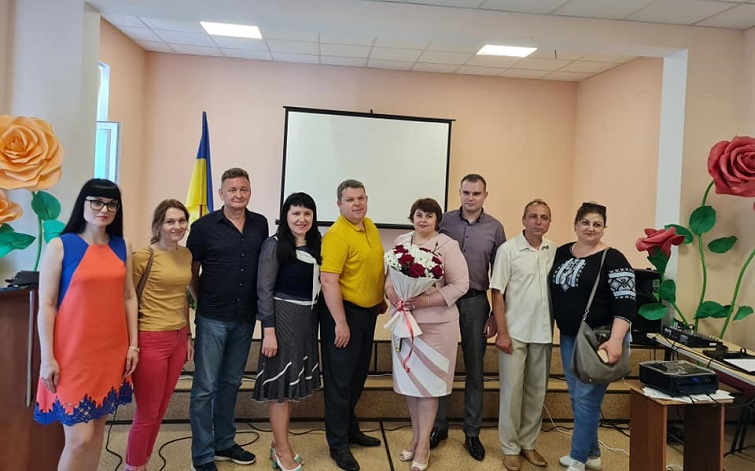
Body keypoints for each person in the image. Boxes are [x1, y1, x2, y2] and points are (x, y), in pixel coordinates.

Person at [34, 178, 138, 471]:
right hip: (71, 355)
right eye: (97, 202)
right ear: (83, 203)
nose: (104, 209)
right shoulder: (60, 246)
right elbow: (46, 305)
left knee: (97, 432)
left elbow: (129, 296)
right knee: (79, 439)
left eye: (111, 204)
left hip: (111, 352)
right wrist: (47, 358)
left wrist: (133, 345)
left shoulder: (122, 246)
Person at [187, 168, 269, 471]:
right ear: (221, 193)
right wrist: (203, 299)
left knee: (231, 383)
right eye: (232, 190)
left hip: (245, 317)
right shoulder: (203, 227)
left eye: (243, 189)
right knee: (204, 387)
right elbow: (191, 271)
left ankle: (224, 443)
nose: (238, 195)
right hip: (212, 317)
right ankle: (202, 454)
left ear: (250, 192)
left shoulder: (260, 224)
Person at [549, 202, 636, 471]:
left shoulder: (614, 258)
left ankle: (577, 458)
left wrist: (616, 340)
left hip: (600, 341)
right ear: (576, 224)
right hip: (569, 338)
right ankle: (593, 455)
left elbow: (626, 302)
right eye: (585, 222)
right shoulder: (562, 252)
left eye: (597, 224)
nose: (591, 228)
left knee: (587, 399)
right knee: (577, 397)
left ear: (604, 228)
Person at [385, 198, 469, 471]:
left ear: (437, 220)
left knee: (428, 388)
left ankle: (423, 446)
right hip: (404, 323)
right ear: (412, 217)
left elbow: (461, 284)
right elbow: (389, 279)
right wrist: (394, 295)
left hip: (437, 327)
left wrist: (425, 301)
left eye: (429, 216)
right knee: (411, 387)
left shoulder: (447, 245)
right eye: (419, 215)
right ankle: (415, 436)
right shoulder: (401, 241)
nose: (423, 220)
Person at [431, 173, 506, 461]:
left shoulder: (495, 228)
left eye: (476, 193)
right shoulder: (444, 221)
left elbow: (500, 276)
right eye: (466, 192)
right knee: (442, 365)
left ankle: (472, 433)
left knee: (475, 370)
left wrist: (495, 316)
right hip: (444, 301)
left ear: (485, 195)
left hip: (476, 303)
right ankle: (438, 425)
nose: (470, 198)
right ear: (459, 193)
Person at [320, 179, 387, 471]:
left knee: (357, 376)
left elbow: (373, 266)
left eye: (361, 198)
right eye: (350, 199)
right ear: (339, 204)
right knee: (340, 382)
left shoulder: (369, 225)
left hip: (368, 313)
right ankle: (338, 445)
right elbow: (328, 281)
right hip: (343, 314)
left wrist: (379, 298)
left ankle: (350, 429)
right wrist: (340, 322)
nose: (357, 203)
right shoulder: (336, 235)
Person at [252, 192, 322, 471]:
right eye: (296, 213)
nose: (301, 219)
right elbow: (264, 290)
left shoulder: (317, 243)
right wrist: (268, 331)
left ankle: (278, 443)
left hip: (307, 320)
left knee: (291, 386)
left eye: (307, 213)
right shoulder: (274, 245)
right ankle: (282, 450)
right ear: (286, 216)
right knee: (280, 387)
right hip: (282, 319)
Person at [125, 199, 194, 471]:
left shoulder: (186, 255)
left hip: (178, 337)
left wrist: (188, 335)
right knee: (147, 412)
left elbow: (183, 296)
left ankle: (142, 461)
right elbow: (127, 299)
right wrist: (132, 344)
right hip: (150, 337)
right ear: (158, 226)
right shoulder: (143, 257)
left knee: (161, 408)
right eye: (170, 221)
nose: (177, 226)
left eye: (181, 220)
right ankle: (134, 465)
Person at [490, 199, 555, 471]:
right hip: (514, 333)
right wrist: (502, 332)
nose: (538, 221)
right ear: (523, 220)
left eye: (544, 217)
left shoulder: (553, 251)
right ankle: (510, 448)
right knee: (512, 393)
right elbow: (497, 292)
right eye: (533, 216)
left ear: (549, 222)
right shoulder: (508, 250)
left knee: (536, 394)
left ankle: (528, 443)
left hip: (543, 332)